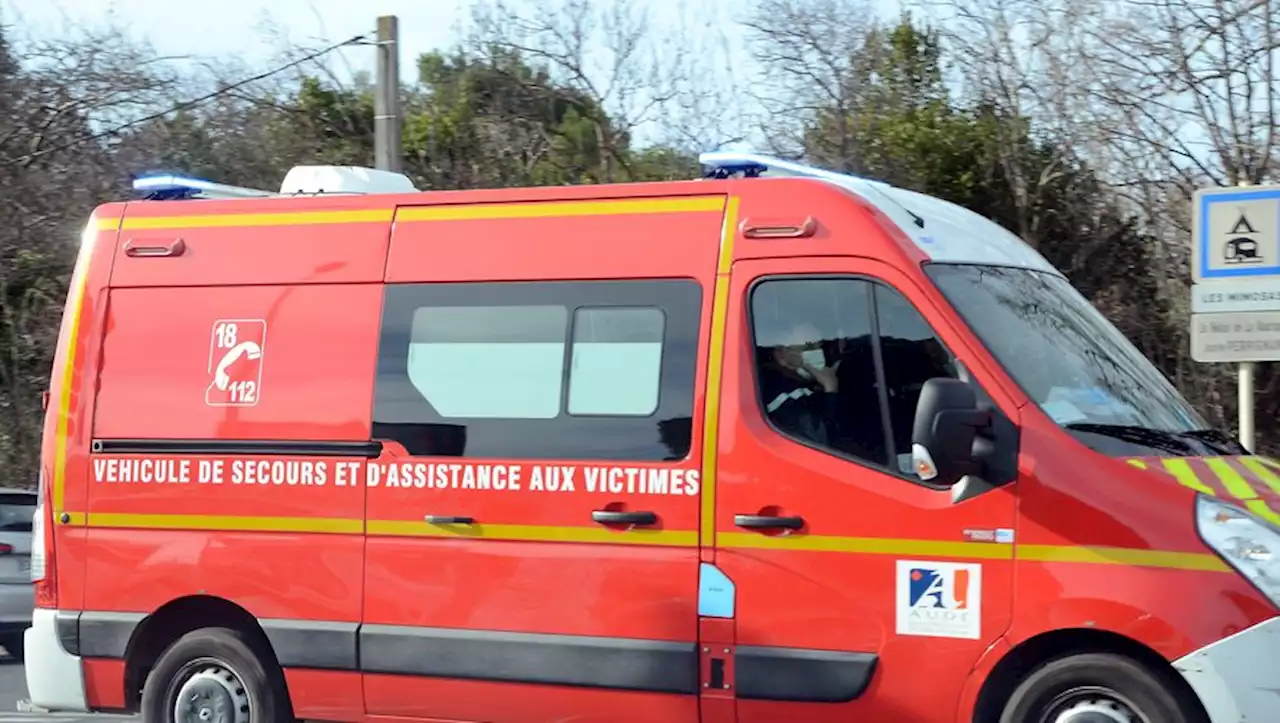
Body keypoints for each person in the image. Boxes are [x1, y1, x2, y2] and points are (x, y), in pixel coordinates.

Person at [757, 320, 842, 447]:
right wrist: (831, 390)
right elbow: (821, 443)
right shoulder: (782, 397)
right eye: (809, 347)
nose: (819, 353)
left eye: (820, 347)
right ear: (781, 355)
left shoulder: (807, 386)